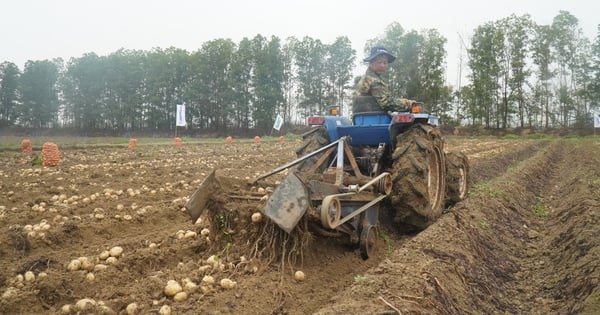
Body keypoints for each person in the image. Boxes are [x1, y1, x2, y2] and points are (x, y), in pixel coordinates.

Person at [353, 46, 415, 113]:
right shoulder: (373, 80)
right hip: (374, 117)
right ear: (371, 63)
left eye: (385, 63)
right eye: (379, 62)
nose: (382, 65)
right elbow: (385, 103)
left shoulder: (369, 77)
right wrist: (408, 103)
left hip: (367, 116)